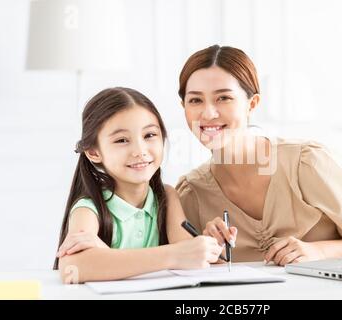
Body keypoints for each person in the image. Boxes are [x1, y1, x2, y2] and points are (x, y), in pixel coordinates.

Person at [176, 45, 342, 266]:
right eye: (195, 100)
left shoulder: (307, 164)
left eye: (223, 98)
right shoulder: (190, 195)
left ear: (252, 104)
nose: (208, 113)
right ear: (183, 107)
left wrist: (319, 251)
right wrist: (212, 255)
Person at [54, 87, 222, 284]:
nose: (140, 151)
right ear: (93, 152)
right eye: (122, 140)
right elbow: (72, 268)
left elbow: (188, 252)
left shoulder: (167, 196)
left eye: (149, 135)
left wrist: (210, 247)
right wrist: (174, 255)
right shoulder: (89, 209)